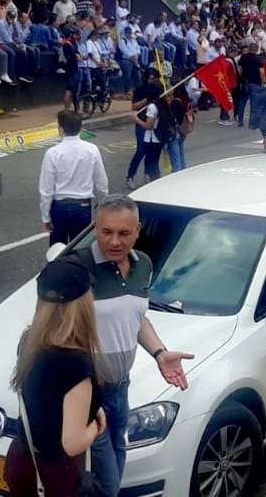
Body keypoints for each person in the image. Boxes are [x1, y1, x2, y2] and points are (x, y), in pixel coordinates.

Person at [64, 196, 192, 496]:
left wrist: (159, 352)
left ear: (137, 230)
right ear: (95, 227)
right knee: (106, 484)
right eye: (106, 232)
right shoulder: (76, 270)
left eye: (123, 233)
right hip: (88, 393)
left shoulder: (142, 265)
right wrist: (83, 379)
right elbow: (55, 334)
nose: (114, 241)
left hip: (120, 389)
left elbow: (135, 317)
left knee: (114, 471)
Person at [5, 257, 106, 497]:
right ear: (83, 305)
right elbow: (72, 443)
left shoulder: (29, 341)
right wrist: (96, 426)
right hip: (55, 474)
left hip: (22, 458)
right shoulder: (76, 362)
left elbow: (45, 396)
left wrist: (90, 407)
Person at [40, 110, 109, 246]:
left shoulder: (52, 153)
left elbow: (46, 189)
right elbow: (101, 183)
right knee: (79, 250)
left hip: (59, 207)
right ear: (80, 128)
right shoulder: (92, 149)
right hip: (82, 207)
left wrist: (45, 216)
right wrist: (103, 204)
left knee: (57, 251)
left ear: (61, 129)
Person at [127, 94, 166, 188]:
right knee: (141, 152)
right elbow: (134, 106)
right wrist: (146, 100)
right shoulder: (142, 90)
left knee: (152, 159)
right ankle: (130, 176)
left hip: (156, 134)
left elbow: (149, 126)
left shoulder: (159, 104)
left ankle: (149, 176)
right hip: (146, 129)